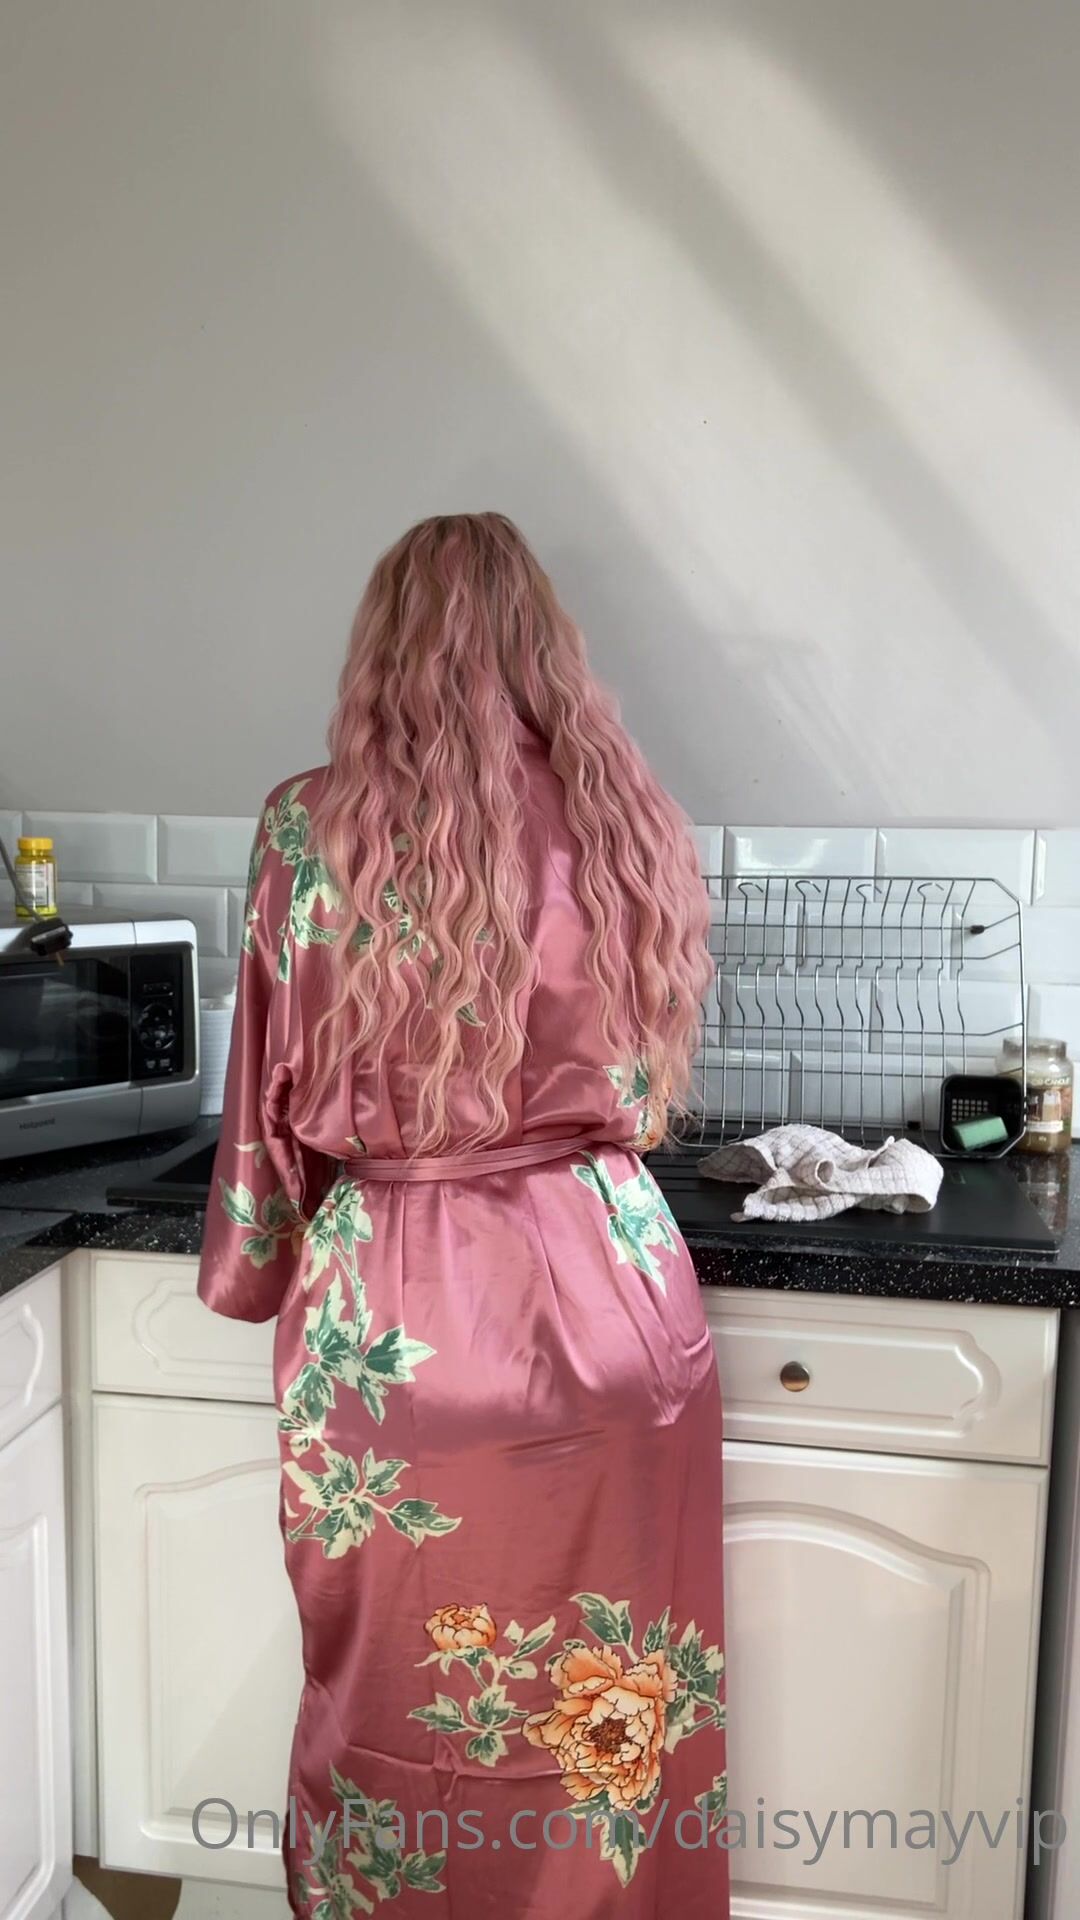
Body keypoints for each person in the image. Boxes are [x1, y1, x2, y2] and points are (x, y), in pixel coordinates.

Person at [197, 513, 729, 1917]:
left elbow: (264, 1087)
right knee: (617, 1710)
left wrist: (253, 1264)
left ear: (381, 645)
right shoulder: (626, 818)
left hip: (398, 1323)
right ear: (545, 643)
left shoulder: (306, 827)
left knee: (389, 1690)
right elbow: (641, 1096)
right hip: (612, 1296)